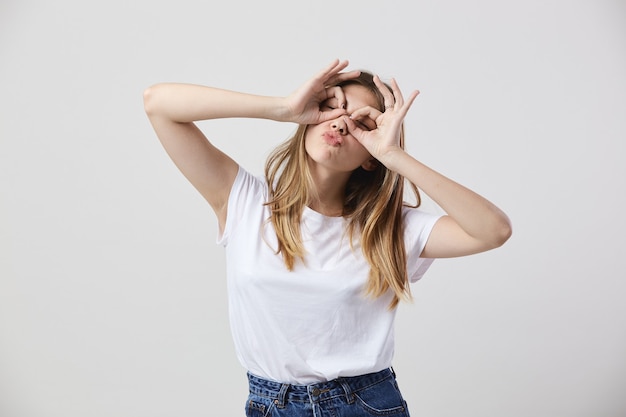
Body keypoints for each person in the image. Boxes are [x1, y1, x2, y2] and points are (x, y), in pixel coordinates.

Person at [143, 59, 512, 417]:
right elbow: (158, 103)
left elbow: (493, 230)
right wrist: (284, 107)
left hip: (367, 404)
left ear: (370, 157)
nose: (340, 122)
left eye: (362, 123)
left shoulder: (389, 228)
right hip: (271, 404)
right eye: (333, 106)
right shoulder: (244, 201)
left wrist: (394, 156)